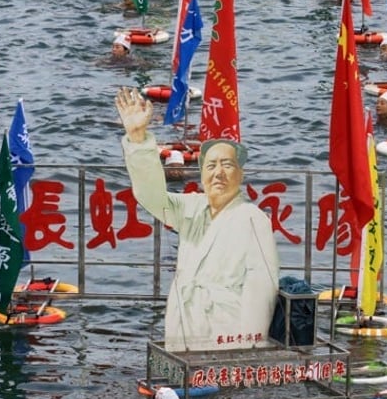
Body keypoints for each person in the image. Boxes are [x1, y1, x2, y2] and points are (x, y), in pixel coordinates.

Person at [115, 87, 280, 352]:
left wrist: (249, 346)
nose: (218, 174)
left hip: (227, 334)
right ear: (201, 174)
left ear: (240, 173)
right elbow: (150, 195)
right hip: (184, 329)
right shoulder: (191, 209)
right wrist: (137, 139)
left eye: (227, 165)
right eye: (211, 166)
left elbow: (261, 289)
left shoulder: (253, 219)